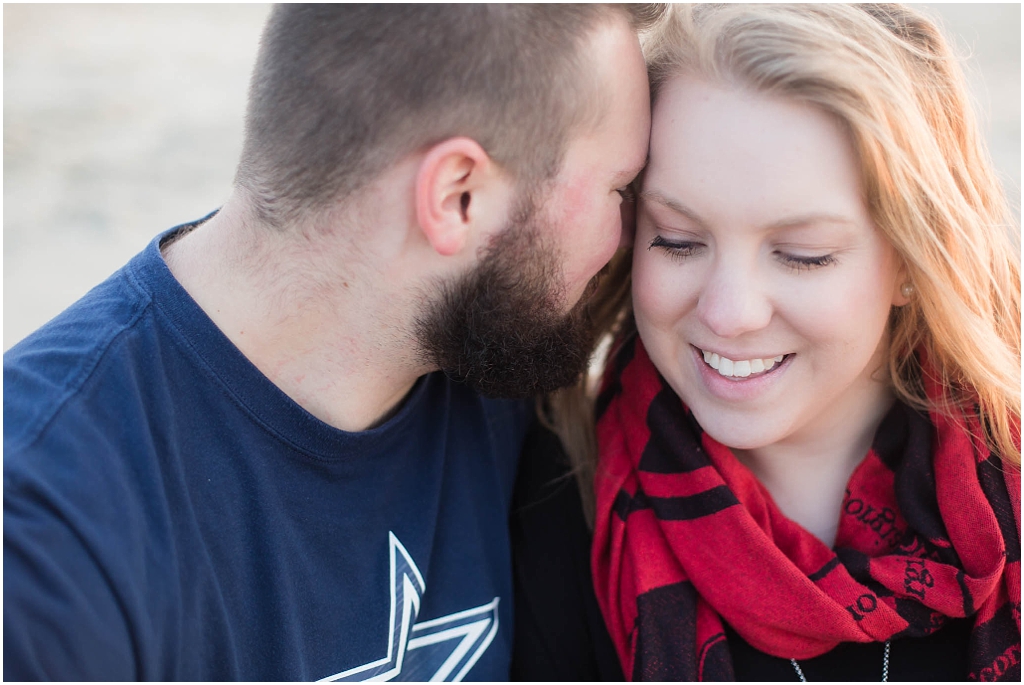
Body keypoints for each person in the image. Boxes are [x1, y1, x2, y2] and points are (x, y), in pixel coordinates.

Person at [3, 4, 660, 680]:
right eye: (619, 188)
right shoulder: (43, 539)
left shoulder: (497, 369)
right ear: (458, 196)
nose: (634, 235)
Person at [511, 4, 1020, 681]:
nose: (729, 313)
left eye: (802, 254)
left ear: (911, 261)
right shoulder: (558, 496)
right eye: (678, 240)